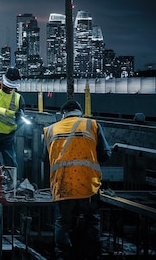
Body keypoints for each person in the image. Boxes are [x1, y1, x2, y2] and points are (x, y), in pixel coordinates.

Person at [43, 99, 111, 260]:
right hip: (88, 185)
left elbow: (45, 159)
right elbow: (105, 155)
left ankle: (62, 255)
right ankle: (91, 254)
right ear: (80, 112)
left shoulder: (50, 130)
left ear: (63, 114)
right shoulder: (92, 125)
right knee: (91, 220)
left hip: (62, 185)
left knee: (63, 221)